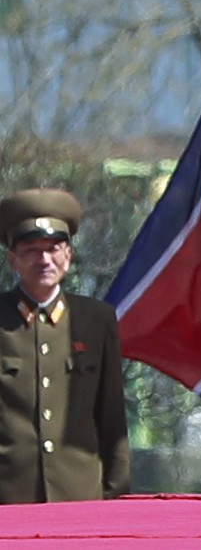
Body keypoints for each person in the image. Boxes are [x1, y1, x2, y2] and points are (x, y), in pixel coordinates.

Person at [0, 189, 129, 502]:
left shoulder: (95, 319)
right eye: (32, 250)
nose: (44, 260)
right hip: (8, 496)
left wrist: (117, 496)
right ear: (12, 259)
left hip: (80, 494)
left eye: (53, 249)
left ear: (68, 256)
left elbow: (111, 417)